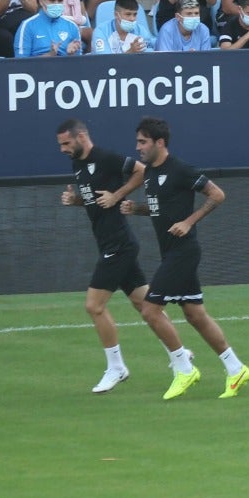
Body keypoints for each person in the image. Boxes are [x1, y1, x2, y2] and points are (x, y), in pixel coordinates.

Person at [119, 117, 249, 400]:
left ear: (160, 143)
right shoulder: (151, 174)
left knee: (150, 309)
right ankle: (236, 367)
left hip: (184, 251)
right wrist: (137, 209)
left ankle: (183, 368)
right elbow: (161, 209)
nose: (137, 147)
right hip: (172, 251)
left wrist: (189, 221)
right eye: (138, 141)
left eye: (143, 142)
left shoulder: (179, 169)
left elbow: (217, 195)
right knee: (194, 314)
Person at [56, 119, 152, 393]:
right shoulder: (78, 164)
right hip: (110, 243)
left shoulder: (106, 157)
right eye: (60, 144)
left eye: (66, 143)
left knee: (94, 306)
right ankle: (180, 354)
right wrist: (76, 201)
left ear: (82, 136)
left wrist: (118, 195)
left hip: (118, 244)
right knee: (146, 306)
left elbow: (142, 171)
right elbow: (94, 202)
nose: (63, 149)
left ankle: (116, 367)